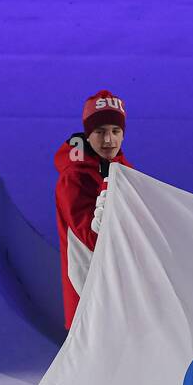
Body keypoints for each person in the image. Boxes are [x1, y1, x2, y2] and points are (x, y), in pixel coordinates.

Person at [55, 89, 134, 331]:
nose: (109, 140)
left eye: (115, 131)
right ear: (88, 135)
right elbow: (94, 239)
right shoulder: (74, 177)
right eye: (100, 132)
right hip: (88, 298)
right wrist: (108, 186)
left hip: (119, 296)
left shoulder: (123, 169)